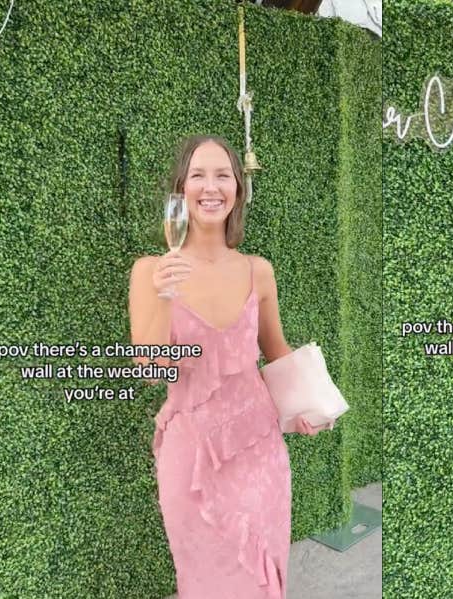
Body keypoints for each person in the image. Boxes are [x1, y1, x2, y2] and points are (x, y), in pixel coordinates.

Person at [127, 135, 331, 599]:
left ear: (238, 188)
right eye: (198, 175)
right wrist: (162, 296)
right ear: (181, 189)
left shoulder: (259, 270)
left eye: (223, 175)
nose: (211, 186)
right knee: (205, 583)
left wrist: (309, 404)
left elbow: (277, 350)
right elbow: (151, 368)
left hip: (260, 453)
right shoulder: (149, 271)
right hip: (192, 458)